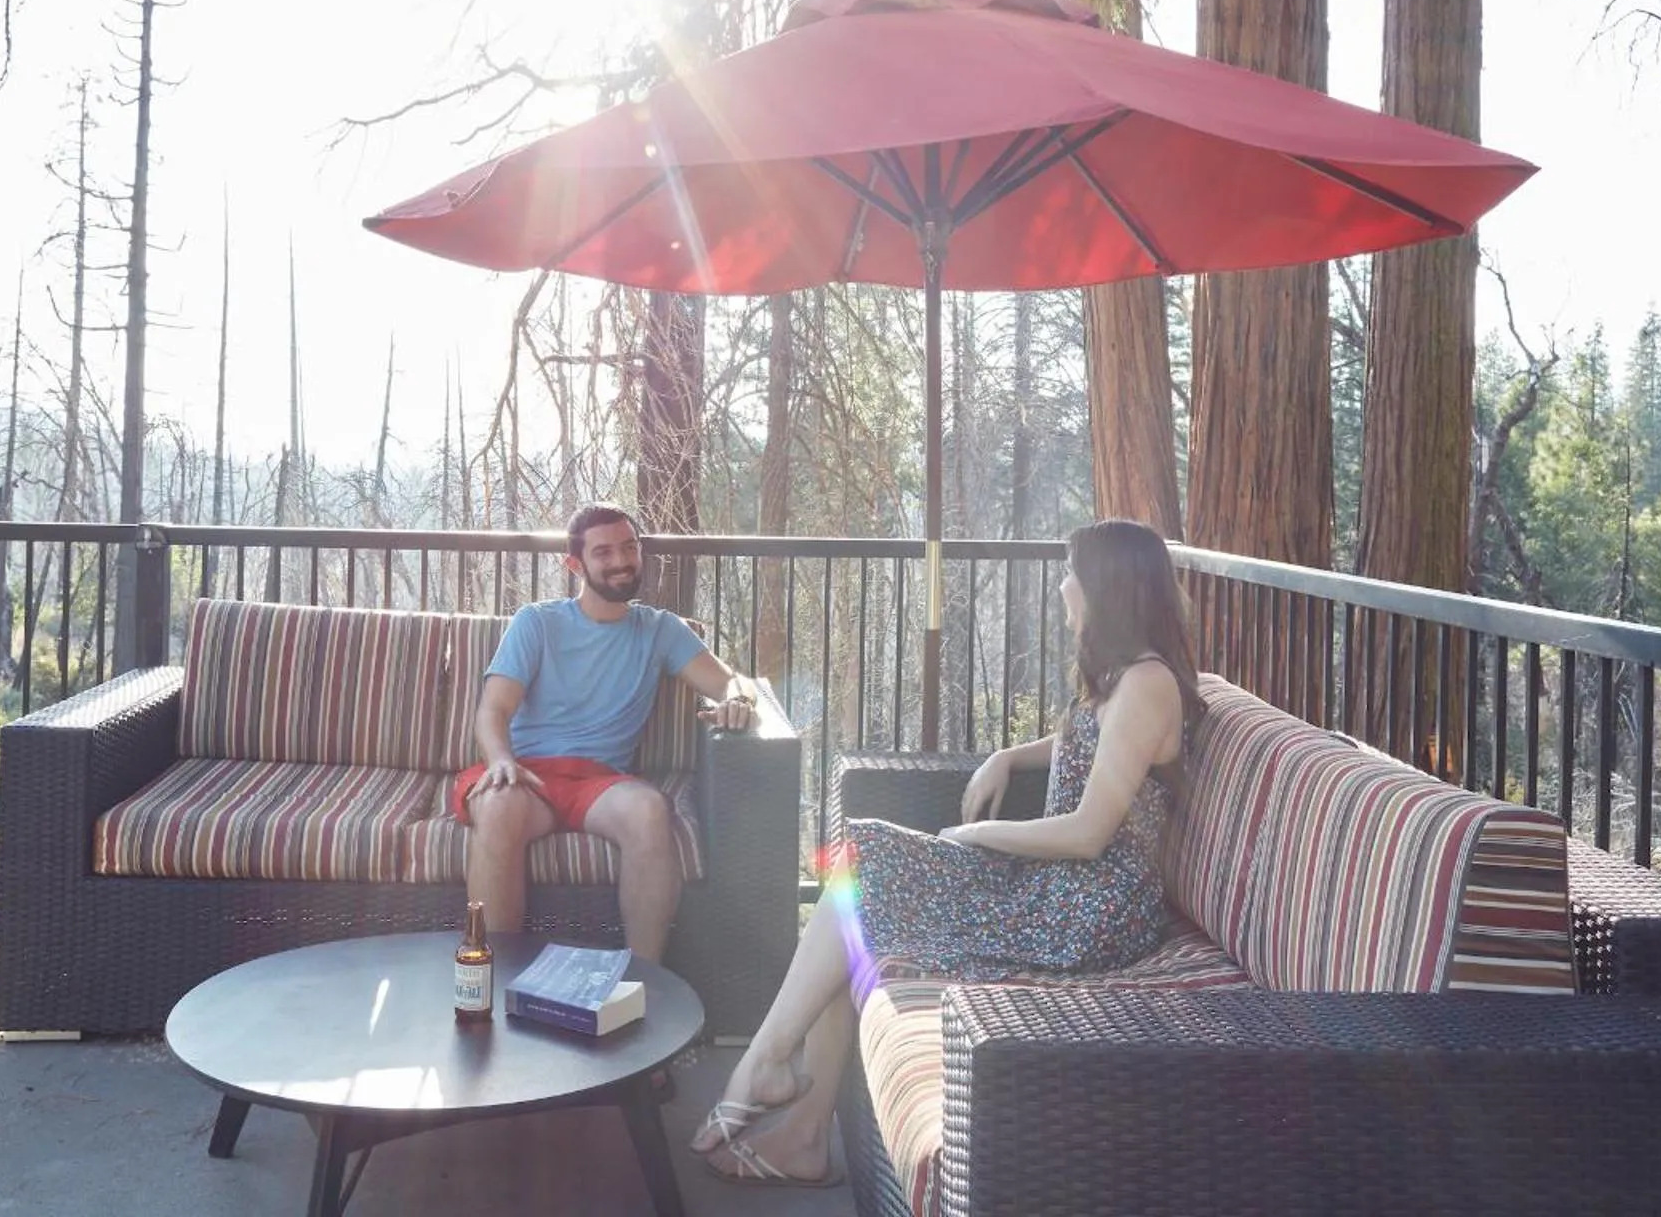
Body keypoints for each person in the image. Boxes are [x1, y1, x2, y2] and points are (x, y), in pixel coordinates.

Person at [690, 517, 1200, 1189]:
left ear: (1108, 586)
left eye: (1072, 573)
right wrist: (1007, 754)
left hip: (1090, 911)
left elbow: (1088, 834)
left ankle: (767, 1068)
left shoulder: (1147, 683)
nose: (1063, 587)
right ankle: (800, 1121)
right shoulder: (1126, 679)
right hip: (1061, 887)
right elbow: (1102, 744)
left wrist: (975, 836)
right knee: (858, 889)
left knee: (864, 868)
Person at [456, 502, 761, 964]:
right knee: (497, 805)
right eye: (603, 553)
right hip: (528, 776)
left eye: (629, 547)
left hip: (600, 783)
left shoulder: (661, 630)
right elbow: (493, 709)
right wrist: (501, 760)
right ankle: (494, 978)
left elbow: (729, 681)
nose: (621, 561)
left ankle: (645, 979)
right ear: (574, 564)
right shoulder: (536, 622)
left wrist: (738, 699)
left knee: (647, 808)